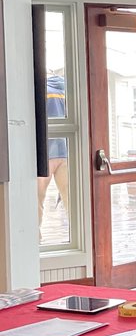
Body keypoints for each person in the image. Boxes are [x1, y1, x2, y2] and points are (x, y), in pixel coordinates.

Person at [37, 72, 69, 231]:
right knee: (71, 199)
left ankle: (35, 236)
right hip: (67, 152)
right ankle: (78, 233)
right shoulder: (68, 90)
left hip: (45, 154)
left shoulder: (39, 89)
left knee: (36, 199)